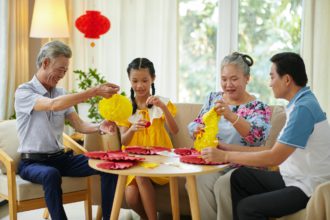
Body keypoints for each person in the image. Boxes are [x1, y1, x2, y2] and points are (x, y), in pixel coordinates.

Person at [201, 52, 330, 219]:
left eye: (272, 77)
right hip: (292, 177)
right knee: (239, 177)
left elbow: (273, 158)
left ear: (287, 80)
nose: (270, 84)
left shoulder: (303, 109)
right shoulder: (299, 103)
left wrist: (225, 155)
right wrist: (226, 147)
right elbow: (272, 150)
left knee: (247, 208)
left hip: (307, 186)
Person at [14, 41, 119, 220]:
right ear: (45, 63)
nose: (62, 75)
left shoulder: (61, 92)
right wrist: (93, 91)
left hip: (60, 158)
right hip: (32, 163)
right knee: (50, 174)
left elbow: (79, 125)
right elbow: (53, 105)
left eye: (65, 71)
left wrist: (99, 126)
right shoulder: (24, 91)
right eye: (60, 69)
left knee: (108, 164)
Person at [188, 52, 271, 220]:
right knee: (198, 180)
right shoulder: (213, 98)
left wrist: (230, 115)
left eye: (234, 79)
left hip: (243, 165)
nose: (228, 85)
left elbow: (256, 139)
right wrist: (196, 129)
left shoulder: (258, 107)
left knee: (223, 185)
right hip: (214, 162)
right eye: (224, 79)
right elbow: (196, 123)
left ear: (247, 78)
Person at [117, 57, 179, 220]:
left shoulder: (162, 103)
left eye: (145, 80)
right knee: (131, 198)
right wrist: (132, 129)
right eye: (135, 80)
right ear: (129, 80)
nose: (140, 85)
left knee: (141, 175)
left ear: (153, 79)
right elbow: (123, 141)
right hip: (134, 159)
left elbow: (175, 130)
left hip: (159, 158)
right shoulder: (125, 107)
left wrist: (163, 107)